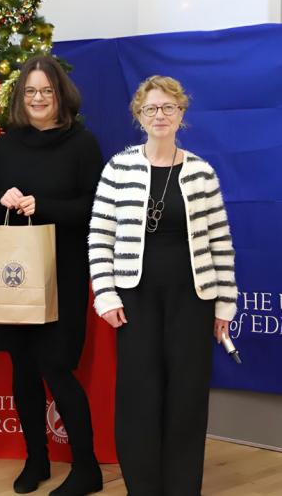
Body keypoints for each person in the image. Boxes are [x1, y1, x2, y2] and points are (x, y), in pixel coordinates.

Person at [89, 75, 238, 495]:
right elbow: (100, 235)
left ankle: (182, 487)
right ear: (139, 115)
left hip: (193, 299)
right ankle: (144, 487)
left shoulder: (201, 173)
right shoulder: (118, 169)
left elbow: (220, 243)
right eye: (152, 108)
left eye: (168, 108)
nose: (160, 116)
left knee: (188, 396)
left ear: (181, 115)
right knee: (139, 395)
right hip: (135, 299)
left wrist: (224, 306)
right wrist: (105, 292)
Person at [0, 56, 104, 496]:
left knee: (56, 366)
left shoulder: (82, 143)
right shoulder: (8, 144)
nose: (37, 99)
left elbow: (94, 208)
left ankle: (87, 469)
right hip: (16, 274)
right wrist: (4, 197)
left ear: (60, 95)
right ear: (21, 97)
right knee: (23, 369)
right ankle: (37, 460)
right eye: (30, 91)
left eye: (45, 91)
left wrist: (42, 206)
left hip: (63, 273)